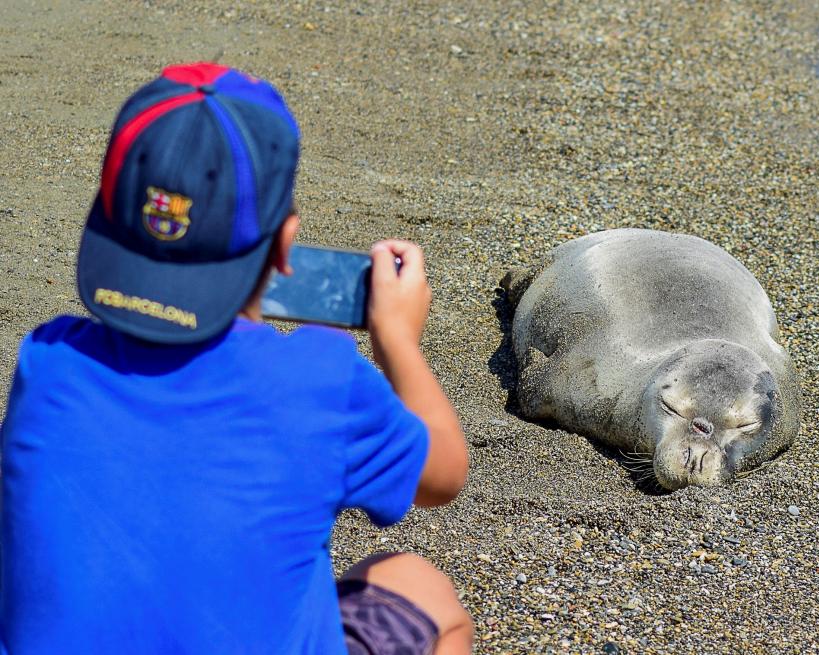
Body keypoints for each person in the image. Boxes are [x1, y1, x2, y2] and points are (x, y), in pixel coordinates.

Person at [0, 62, 473, 655]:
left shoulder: (47, 365)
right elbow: (444, 474)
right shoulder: (319, 381)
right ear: (284, 241)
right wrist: (398, 338)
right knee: (418, 585)